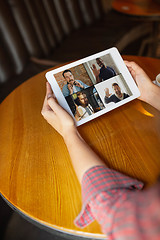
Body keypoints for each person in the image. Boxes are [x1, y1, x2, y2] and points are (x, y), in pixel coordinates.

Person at [41, 61, 160, 239]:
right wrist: (151, 94)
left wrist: (68, 131)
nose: (70, 79)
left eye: (70, 76)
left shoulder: (82, 85)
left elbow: (111, 208)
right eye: (67, 78)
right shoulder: (66, 90)